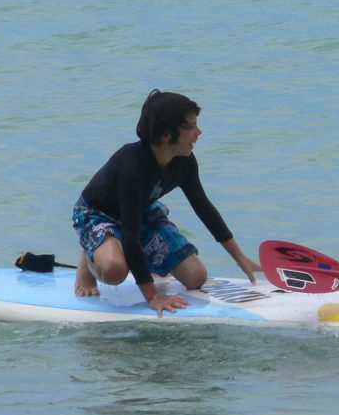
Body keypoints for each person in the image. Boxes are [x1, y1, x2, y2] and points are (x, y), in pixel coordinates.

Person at [72, 90, 261, 316]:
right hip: (98, 214)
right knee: (115, 270)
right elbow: (131, 235)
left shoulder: (185, 162)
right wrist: (152, 296)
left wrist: (240, 259)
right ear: (165, 135)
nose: (198, 132)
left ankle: (135, 258)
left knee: (196, 277)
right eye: (190, 126)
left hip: (141, 211)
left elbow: (204, 208)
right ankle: (89, 257)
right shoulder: (132, 165)